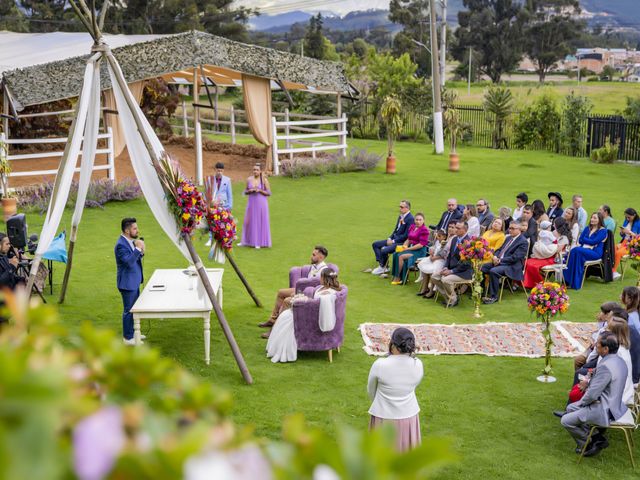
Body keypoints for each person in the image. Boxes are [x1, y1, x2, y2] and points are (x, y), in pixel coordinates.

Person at [560, 332, 630, 457]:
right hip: (616, 405)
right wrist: (589, 381)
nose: (595, 346)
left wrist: (581, 403)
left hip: (604, 409)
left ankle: (587, 443)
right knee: (570, 408)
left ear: (606, 349)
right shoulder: (619, 360)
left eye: (598, 344)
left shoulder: (606, 366)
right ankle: (596, 436)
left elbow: (592, 395)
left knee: (565, 420)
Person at [266, 268, 341, 363]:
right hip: (311, 314)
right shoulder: (323, 288)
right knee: (285, 313)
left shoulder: (327, 294)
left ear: (325, 278)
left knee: (285, 317)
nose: (320, 279)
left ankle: (283, 348)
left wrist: (301, 303)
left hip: (312, 319)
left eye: (321, 277)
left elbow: (316, 306)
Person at [368, 327, 424, 452]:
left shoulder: (380, 364)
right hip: (409, 417)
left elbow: (371, 389)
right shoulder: (418, 364)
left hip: (382, 416)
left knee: (380, 457)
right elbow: (414, 385)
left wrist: (378, 403)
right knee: (407, 458)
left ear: (392, 344)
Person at [261, 246, 329, 336]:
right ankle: (272, 320)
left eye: (313, 255)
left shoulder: (323, 271)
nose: (311, 256)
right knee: (281, 292)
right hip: (302, 290)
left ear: (320, 257)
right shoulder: (314, 266)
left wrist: (297, 293)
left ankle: (275, 329)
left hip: (309, 295)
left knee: (286, 300)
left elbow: (316, 288)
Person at [481, 222, 529, 304]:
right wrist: (495, 257)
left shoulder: (523, 241)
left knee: (493, 271)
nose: (510, 230)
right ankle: (483, 291)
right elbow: (499, 249)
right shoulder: (508, 238)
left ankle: (494, 297)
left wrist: (500, 260)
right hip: (500, 262)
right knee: (482, 267)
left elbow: (515, 257)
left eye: (513, 228)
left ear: (519, 230)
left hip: (512, 265)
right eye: (509, 228)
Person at [115, 218, 145, 345]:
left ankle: (134, 332)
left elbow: (135, 256)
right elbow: (128, 262)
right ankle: (127, 338)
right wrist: (138, 249)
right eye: (134, 228)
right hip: (127, 283)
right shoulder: (120, 245)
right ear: (127, 230)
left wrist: (141, 251)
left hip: (134, 280)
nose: (137, 230)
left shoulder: (130, 241)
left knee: (135, 308)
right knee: (129, 310)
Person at [430, 221, 472, 307]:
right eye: (455, 227)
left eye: (458, 228)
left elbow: (466, 264)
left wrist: (451, 271)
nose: (455, 230)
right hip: (451, 269)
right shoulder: (455, 239)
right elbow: (449, 256)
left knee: (446, 280)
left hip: (463, 272)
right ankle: (450, 298)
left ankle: (452, 300)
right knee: (434, 276)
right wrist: (445, 267)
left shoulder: (469, 243)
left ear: (465, 230)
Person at [522, 217, 571, 289]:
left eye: (554, 223)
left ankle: (539, 283)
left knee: (533, 265)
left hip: (553, 258)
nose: (553, 225)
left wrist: (545, 247)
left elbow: (557, 250)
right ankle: (527, 283)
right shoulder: (553, 232)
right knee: (527, 262)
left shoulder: (564, 238)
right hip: (544, 255)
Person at [563, 212, 607, 290]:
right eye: (592, 217)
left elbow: (594, 241)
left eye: (595, 218)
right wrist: (588, 240)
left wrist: (585, 239)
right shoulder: (587, 228)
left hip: (595, 252)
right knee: (577, 256)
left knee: (575, 250)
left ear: (599, 220)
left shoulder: (603, 231)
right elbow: (580, 240)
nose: (592, 219)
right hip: (584, 250)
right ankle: (571, 282)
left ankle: (569, 281)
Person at [371, 200, 415, 275]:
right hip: (394, 239)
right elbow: (395, 229)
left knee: (384, 250)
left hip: (400, 242)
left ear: (407, 208)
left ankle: (382, 267)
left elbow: (406, 236)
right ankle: (383, 264)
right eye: (399, 206)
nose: (400, 208)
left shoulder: (410, 218)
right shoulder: (401, 216)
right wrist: (390, 238)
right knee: (375, 244)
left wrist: (393, 241)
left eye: (401, 207)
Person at [416, 225, 455, 298]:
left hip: (442, 261)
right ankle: (424, 288)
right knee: (424, 266)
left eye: (439, 236)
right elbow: (434, 247)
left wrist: (434, 258)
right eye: (437, 236)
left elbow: (444, 254)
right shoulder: (438, 241)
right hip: (434, 258)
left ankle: (431, 291)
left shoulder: (448, 241)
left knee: (432, 270)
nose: (438, 237)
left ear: (444, 237)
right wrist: (431, 253)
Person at [390, 213, 429, 285]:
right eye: (416, 219)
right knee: (396, 253)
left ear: (423, 221)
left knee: (401, 256)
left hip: (419, 251)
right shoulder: (412, 227)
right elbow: (409, 239)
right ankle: (398, 276)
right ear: (414, 220)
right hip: (411, 248)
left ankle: (398, 278)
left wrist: (408, 248)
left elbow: (421, 245)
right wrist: (404, 245)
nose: (418, 221)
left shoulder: (424, 230)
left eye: (420, 220)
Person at [240, 163, 271, 249]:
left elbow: (269, 193)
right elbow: (245, 191)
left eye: (257, 170)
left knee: (259, 221)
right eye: (254, 170)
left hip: (261, 203)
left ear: (260, 171)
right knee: (248, 221)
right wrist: (250, 191)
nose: (255, 171)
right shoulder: (249, 179)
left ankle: (258, 242)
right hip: (251, 203)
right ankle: (246, 241)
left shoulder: (264, 180)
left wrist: (260, 190)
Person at [204, 162, 233, 247]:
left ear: (223, 171)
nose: (219, 172)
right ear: (215, 170)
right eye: (218, 170)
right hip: (213, 204)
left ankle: (223, 238)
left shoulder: (227, 180)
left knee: (223, 221)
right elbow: (207, 192)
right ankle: (210, 239)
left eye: (221, 171)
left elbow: (229, 194)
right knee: (211, 221)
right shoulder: (210, 179)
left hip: (223, 205)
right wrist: (207, 204)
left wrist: (230, 206)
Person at [613, 207, 640, 277]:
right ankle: (608, 268)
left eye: (629, 217)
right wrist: (622, 232)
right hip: (624, 242)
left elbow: (638, 237)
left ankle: (613, 271)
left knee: (618, 253)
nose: (627, 219)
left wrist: (629, 232)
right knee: (612, 249)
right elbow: (623, 235)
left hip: (633, 246)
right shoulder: (626, 221)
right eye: (626, 217)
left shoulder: (638, 223)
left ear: (634, 215)